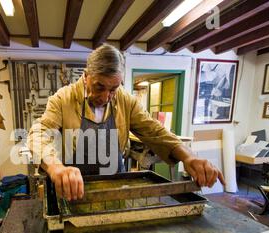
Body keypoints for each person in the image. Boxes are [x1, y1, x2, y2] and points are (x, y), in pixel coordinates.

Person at [27, 44, 225, 201]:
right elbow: (39, 133)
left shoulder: (125, 100)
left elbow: (154, 131)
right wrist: (56, 168)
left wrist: (188, 156)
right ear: (86, 77)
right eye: (99, 87)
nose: (106, 96)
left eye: (113, 88)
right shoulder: (64, 98)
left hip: (116, 186)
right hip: (75, 188)